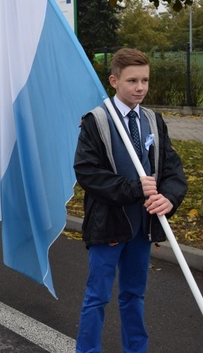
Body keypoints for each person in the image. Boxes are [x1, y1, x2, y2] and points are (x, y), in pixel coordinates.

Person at [73, 48, 188, 353]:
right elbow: (88, 172)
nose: (140, 88)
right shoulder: (96, 120)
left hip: (143, 225)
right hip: (109, 224)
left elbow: (171, 170)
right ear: (114, 81)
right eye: (132, 81)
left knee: (134, 294)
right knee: (97, 296)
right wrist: (134, 187)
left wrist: (169, 198)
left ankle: (136, 349)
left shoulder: (153, 120)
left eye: (145, 80)